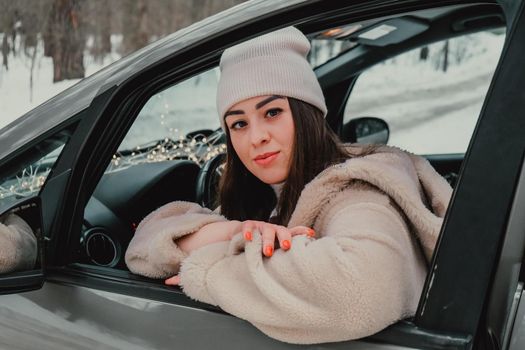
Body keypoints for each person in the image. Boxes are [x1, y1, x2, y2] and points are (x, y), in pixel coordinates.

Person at [125, 26, 452, 344]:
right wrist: (231, 233)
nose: (256, 138)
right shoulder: (259, 198)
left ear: (307, 113)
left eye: (272, 112)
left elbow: (362, 292)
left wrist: (207, 270)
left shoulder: (360, 192)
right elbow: (141, 249)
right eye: (239, 123)